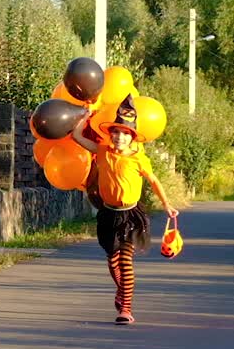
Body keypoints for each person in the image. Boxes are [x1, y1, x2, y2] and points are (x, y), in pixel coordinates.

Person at [71, 95, 178, 325]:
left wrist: (167, 204)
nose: (120, 137)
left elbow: (155, 181)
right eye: (116, 133)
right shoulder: (102, 151)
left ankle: (126, 308)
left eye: (125, 134)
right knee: (112, 260)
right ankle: (122, 291)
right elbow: (77, 136)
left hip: (131, 215)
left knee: (125, 261)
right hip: (109, 214)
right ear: (111, 135)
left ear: (132, 137)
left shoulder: (139, 159)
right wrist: (85, 116)